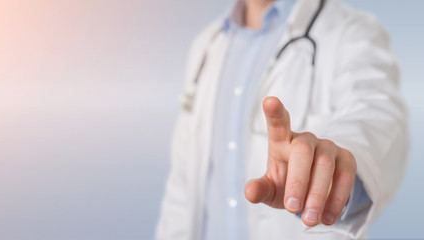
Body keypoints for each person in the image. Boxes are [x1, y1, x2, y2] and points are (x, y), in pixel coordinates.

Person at [156, 0, 409, 239]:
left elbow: (376, 114)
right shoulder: (208, 44)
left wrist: (339, 160)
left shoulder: (351, 32)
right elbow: (184, 184)